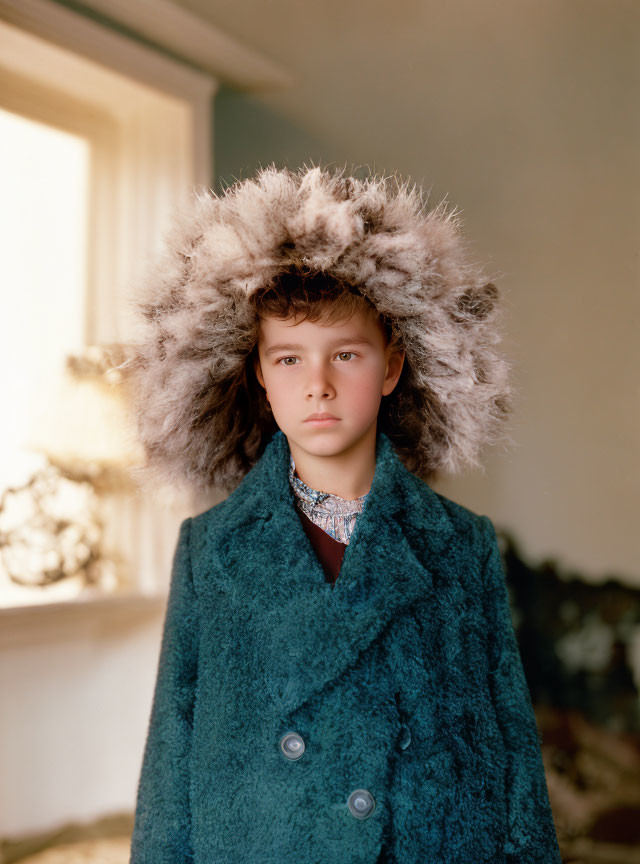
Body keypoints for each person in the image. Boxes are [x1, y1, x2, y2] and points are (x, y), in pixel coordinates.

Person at [128, 164, 562, 863]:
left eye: (347, 355)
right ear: (259, 376)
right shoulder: (211, 550)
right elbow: (171, 770)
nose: (319, 385)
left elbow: (509, 750)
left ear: (391, 367)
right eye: (291, 359)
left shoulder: (459, 544)